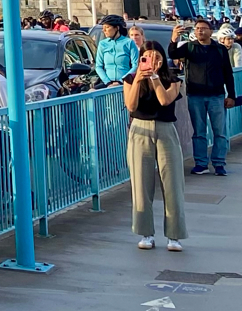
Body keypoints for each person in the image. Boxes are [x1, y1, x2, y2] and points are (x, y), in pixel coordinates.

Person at [124, 43, 186, 251]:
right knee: (141, 184)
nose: (151, 60)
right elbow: (131, 106)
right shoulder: (131, 79)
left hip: (166, 129)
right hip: (139, 129)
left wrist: (154, 77)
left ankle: (174, 235)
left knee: (172, 183)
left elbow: (164, 100)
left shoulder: (173, 79)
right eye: (146, 56)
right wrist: (139, 79)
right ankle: (146, 233)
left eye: (155, 56)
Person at [174, 17, 233, 177]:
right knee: (199, 132)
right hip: (196, 95)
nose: (200, 30)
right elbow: (173, 53)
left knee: (219, 131)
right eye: (197, 28)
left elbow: (228, 73)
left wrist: (231, 96)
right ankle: (201, 163)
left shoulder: (220, 50)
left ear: (211, 31)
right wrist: (174, 39)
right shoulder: (189, 48)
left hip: (217, 96)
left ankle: (219, 163)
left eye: (203, 28)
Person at [94, 16, 136, 83]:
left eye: (107, 27)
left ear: (117, 28)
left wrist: (121, 81)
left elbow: (135, 65)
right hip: (107, 83)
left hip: (125, 82)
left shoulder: (129, 43)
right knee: (91, 91)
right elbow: (98, 66)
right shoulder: (102, 44)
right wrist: (107, 82)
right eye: (103, 28)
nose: (104, 30)